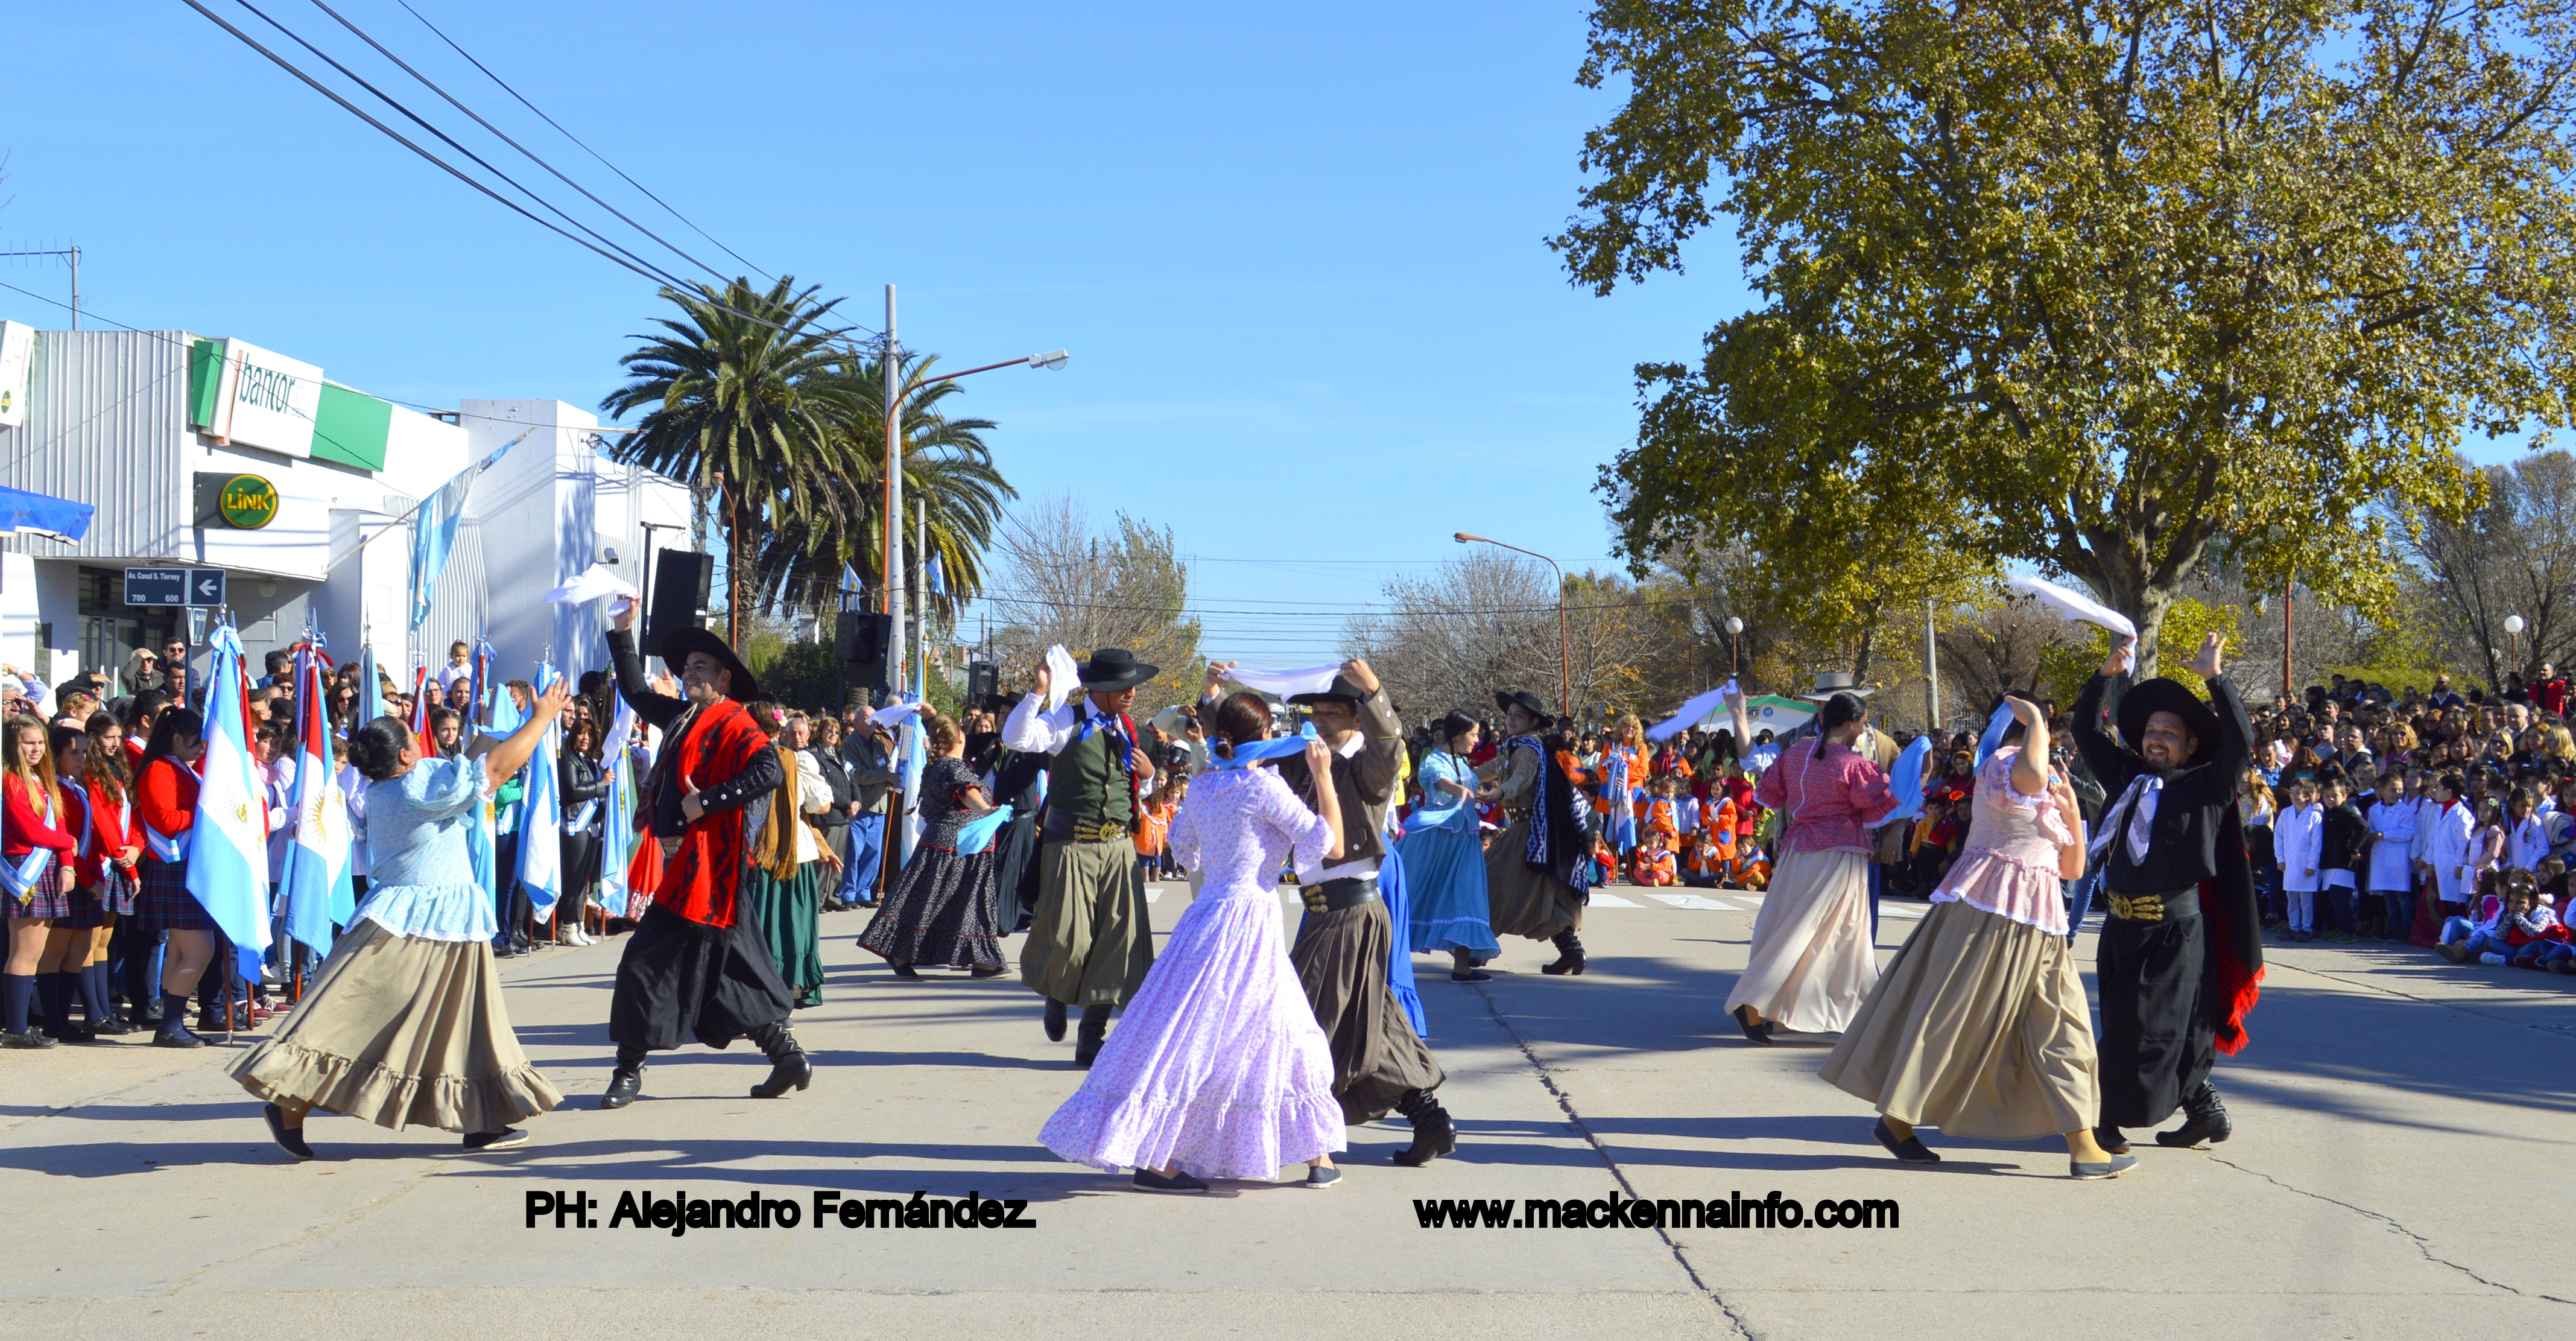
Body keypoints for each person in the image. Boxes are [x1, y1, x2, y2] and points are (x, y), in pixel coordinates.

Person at [231, 691, 573, 1156]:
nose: (424, 745)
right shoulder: (417, 788)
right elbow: (493, 771)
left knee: (465, 1022)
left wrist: (497, 728)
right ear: (407, 755)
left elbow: (471, 760)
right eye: (415, 739)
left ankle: (482, 1117)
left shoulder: (389, 787)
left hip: (438, 918)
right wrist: (542, 719)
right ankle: (289, 1100)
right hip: (416, 922)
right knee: (356, 1016)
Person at [1038, 691, 1348, 1193]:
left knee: (1241, 1026)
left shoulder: (1206, 787)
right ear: (1264, 735)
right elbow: (1328, 845)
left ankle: (1316, 1152)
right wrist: (1323, 776)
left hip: (1208, 915)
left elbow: (1185, 851)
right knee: (1220, 1031)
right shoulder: (1263, 787)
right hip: (1247, 916)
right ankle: (1161, 1160)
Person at [1821, 696, 2134, 1177]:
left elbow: (2072, 868)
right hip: (1992, 912)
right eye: (2048, 732)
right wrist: (2036, 723)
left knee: (2064, 1027)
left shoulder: (2049, 781)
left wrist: (2071, 814)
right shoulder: (2003, 764)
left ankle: (2083, 1143)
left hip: (2041, 920)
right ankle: (1896, 1120)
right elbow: (2029, 772)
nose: (2058, 747)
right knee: (1955, 1018)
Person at [595, 600, 810, 1110]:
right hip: (694, 868)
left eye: (700, 667)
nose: (688, 673)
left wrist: (703, 802)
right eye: (686, 666)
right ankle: (787, 1057)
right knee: (730, 972)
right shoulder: (684, 714)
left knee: (643, 964)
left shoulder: (734, 721)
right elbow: (635, 692)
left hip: (709, 872)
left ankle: (627, 1071)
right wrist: (622, 635)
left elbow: (769, 771)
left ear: (724, 678)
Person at [2069, 633, 2265, 1152]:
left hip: (2173, 932)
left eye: (2169, 732)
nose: (2156, 738)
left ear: (2191, 743)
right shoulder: (2125, 774)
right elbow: (2084, 729)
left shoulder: (2206, 785)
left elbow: (2241, 742)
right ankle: (2203, 1109)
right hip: (2119, 927)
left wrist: (2215, 680)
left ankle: (2106, 1123)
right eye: (2151, 731)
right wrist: (2103, 676)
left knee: (2145, 1032)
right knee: (2123, 1024)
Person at [1271, 661, 1458, 1169]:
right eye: (1317, 712)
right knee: (1375, 1021)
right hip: (1326, 913)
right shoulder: (1306, 761)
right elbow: (1252, 757)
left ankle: (1304, 1139)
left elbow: (1391, 749)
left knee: (1301, 1021)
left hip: (1350, 913)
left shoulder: (1364, 766)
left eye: (1334, 712)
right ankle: (1429, 1119)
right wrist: (1212, 702)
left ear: (1356, 718)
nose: (1323, 721)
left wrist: (1375, 691)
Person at [1002, 648, 1161, 1066]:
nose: (1131, 693)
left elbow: (1135, 791)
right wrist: (1038, 692)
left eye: (1132, 685)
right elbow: (1016, 738)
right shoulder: (1065, 720)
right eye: (1123, 687)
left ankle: (1091, 1036)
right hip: (1070, 845)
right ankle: (1056, 992)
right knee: (1069, 940)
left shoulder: (1129, 728)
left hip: (1119, 849)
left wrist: (1148, 778)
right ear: (1101, 689)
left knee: (1118, 942)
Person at [1723, 684, 1900, 1042]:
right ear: (1850, 723)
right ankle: (1757, 1003)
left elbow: (1768, 791)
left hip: (1797, 851)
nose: (1865, 730)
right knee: (1830, 934)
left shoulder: (1797, 752)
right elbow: (1884, 803)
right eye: (1864, 723)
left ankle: (1784, 1008)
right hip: (1838, 855)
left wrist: (1739, 715)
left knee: (1795, 927)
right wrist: (1917, 781)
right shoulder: (1853, 763)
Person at [855, 712, 1009, 978]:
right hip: (957, 848)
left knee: (930, 901)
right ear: (960, 737)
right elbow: (967, 792)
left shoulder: (940, 766)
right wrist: (986, 811)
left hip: (949, 846)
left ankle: (905, 953)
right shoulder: (954, 767)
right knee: (958, 901)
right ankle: (980, 961)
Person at [1479, 690, 1592, 974]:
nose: (1512, 720)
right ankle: (1572, 954)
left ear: (1532, 721)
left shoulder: (1528, 748)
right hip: (1529, 829)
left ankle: (1478, 948)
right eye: (1509, 715)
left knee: (1491, 882)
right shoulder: (1515, 745)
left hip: (1531, 831)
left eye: (1519, 716)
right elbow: (1497, 768)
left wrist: (1500, 792)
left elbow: (1520, 779)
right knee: (1544, 893)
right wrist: (1460, 775)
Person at [738, 707, 836, 1009]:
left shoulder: (744, 760)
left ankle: (765, 989)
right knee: (791, 925)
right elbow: (822, 804)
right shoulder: (794, 760)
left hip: (762, 853)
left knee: (766, 924)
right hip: (789, 854)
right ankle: (787, 986)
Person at [1400, 711, 1499, 981]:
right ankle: (1383, 954)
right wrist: (1459, 790)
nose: (1477, 740)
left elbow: (1472, 777)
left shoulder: (1461, 761)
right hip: (1436, 839)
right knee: (1416, 892)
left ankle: (1462, 967)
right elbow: (1440, 781)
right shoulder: (1434, 760)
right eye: (1473, 734)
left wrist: (1482, 789)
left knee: (1466, 894)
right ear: (1457, 735)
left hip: (1465, 839)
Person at [2, 714, 80, 1047]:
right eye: (28, 743)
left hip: (47, 864)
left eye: (39, 743)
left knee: (36, 951)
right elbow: (30, 830)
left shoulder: (40, 779)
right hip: (25, 867)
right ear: (13, 745)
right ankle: (17, 1030)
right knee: (25, 950)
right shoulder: (10, 780)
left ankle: (20, 1026)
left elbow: (58, 825)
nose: (36, 749)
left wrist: (67, 865)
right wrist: (67, 845)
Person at [555, 718, 607, 946]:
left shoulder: (589, 761)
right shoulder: (568, 759)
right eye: (581, 734)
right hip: (575, 822)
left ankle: (577, 925)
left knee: (582, 881)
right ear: (574, 736)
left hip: (591, 824)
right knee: (572, 877)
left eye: (589, 734)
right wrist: (601, 784)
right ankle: (566, 927)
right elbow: (572, 790)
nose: (585, 738)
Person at [839, 711, 895, 908]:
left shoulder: (879, 743)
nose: (872, 721)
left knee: (873, 852)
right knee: (855, 852)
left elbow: (886, 768)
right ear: (855, 721)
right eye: (866, 718)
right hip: (861, 805)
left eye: (874, 717)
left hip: (879, 806)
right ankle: (848, 893)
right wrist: (886, 777)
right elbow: (856, 774)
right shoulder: (849, 744)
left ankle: (864, 892)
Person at [2366, 773, 2418, 943]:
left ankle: (2405, 931)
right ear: (2382, 791)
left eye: (2400, 790)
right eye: (2393, 790)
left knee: (2402, 896)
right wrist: (2372, 835)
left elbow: (2408, 832)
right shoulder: (2374, 810)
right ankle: (2392, 928)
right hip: (2381, 858)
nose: (2397, 793)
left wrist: (2385, 835)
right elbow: (2371, 828)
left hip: (2398, 859)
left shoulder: (2404, 810)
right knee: (2388, 897)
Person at [2274, 778, 2321, 941]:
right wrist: (2280, 858)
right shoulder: (2286, 814)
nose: (2294, 796)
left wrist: (2312, 864)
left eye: (2298, 793)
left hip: (2306, 864)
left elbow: (2317, 843)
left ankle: (2306, 929)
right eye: (2292, 792)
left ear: (2308, 795)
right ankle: (2294, 927)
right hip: (2289, 864)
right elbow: (2278, 837)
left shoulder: (2315, 816)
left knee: (2306, 901)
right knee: (2292, 899)